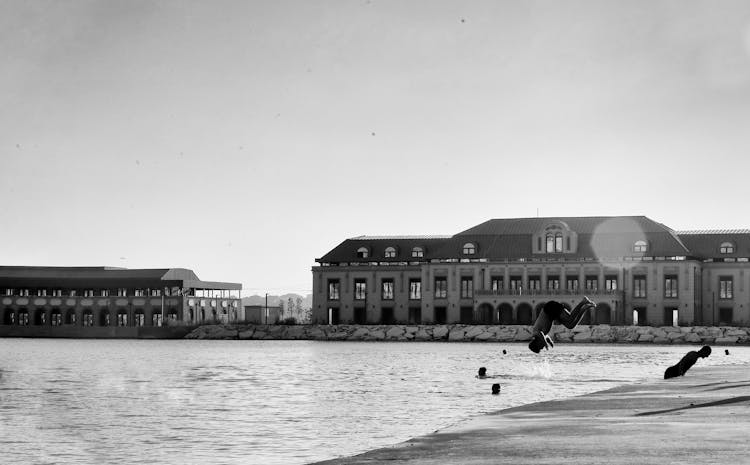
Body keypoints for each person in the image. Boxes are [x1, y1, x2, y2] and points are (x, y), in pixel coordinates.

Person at [528, 296, 596, 353]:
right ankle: (584, 309)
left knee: (570, 318)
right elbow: (545, 337)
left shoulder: (535, 333)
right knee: (570, 326)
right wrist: (550, 341)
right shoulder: (540, 337)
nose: (542, 348)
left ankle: (583, 302)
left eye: (540, 348)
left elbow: (541, 334)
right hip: (553, 316)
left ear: (537, 344)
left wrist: (546, 344)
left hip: (550, 308)